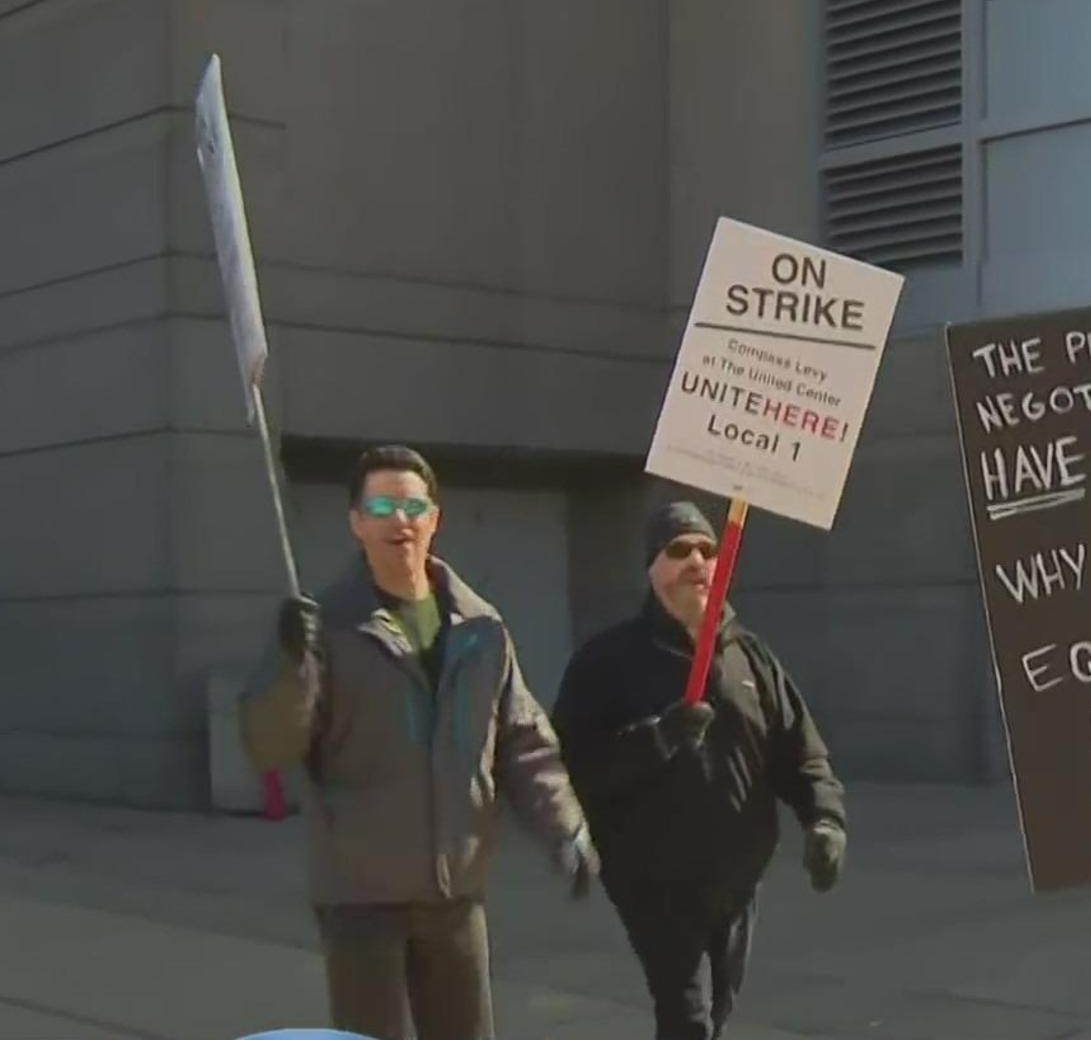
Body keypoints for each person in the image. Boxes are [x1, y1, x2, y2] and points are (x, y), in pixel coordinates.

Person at [239, 445, 599, 1040]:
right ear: (357, 523)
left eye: (412, 505)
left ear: (435, 517)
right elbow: (270, 746)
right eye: (380, 506)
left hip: (454, 897)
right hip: (360, 901)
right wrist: (289, 666)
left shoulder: (481, 628)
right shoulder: (325, 628)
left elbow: (524, 743)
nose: (398, 520)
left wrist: (566, 828)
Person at [553, 500, 848, 1040]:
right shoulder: (607, 661)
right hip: (653, 881)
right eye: (679, 550)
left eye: (707, 550)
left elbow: (802, 755)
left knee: (718, 1012)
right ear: (651, 567)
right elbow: (574, 767)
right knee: (687, 1018)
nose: (696, 560)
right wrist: (658, 738)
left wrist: (824, 821)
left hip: (736, 878)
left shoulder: (751, 659)